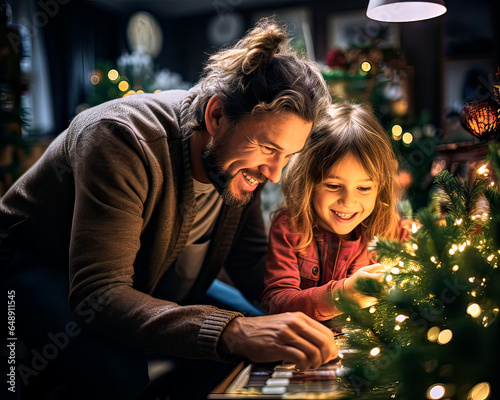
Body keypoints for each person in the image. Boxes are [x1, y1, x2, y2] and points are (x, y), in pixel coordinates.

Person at [0, 18, 338, 400]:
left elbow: (250, 260)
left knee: (274, 335)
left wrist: (327, 296)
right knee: (120, 375)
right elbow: (99, 292)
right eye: (268, 148)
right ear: (215, 116)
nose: (275, 174)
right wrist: (231, 330)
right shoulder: (119, 138)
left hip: (148, 277)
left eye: (287, 156)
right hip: (29, 268)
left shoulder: (241, 159)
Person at [261, 102, 410, 321]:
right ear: (307, 182)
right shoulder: (290, 229)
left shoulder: (391, 228)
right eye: (333, 186)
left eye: (364, 188)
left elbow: (431, 248)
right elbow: (276, 303)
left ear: (380, 189)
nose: (348, 201)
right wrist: (340, 295)